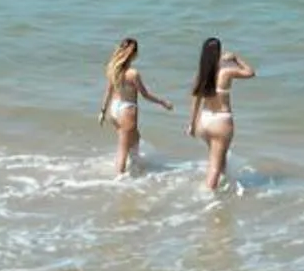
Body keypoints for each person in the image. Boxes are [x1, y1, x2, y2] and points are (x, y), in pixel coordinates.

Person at [187, 37, 256, 192]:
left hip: (204, 121)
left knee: (218, 158)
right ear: (218, 53)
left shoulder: (200, 75)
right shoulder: (226, 72)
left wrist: (192, 124)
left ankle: (223, 190)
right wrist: (236, 58)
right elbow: (250, 72)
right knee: (215, 166)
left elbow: (195, 101)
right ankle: (208, 197)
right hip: (220, 121)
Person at [98, 37, 171, 177]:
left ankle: (136, 171)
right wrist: (163, 102)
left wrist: (103, 111)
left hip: (114, 109)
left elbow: (108, 91)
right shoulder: (133, 74)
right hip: (127, 110)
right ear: (135, 54)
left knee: (135, 139)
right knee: (123, 149)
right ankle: (120, 179)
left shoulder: (112, 70)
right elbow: (145, 95)